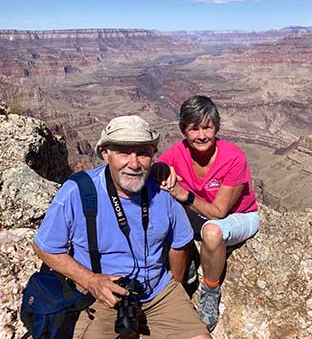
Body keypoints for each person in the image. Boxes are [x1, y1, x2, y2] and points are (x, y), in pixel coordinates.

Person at [32, 115, 211, 339]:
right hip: (101, 295)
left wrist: (175, 286)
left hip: (158, 293)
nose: (134, 164)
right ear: (105, 154)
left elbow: (179, 244)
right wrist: (90, 280)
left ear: (153, 155)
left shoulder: (163, 190)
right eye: (123, 152)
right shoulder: (78, 191)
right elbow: (45, 247)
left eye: (143, 153)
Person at [156, 95, 260, 331]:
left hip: (238, 216)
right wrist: (162, 171)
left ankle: (210, 291)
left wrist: (185, 195)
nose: (201, 135)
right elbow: (156, 172)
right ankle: (187, 265)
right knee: (159, 205)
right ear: (183, 130)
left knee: (212, 233)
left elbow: (219, 212)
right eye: (194, 129)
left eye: (207, 127)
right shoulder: (178, 152)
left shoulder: (233, 157)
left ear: (217, 127)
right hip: (198, 217)